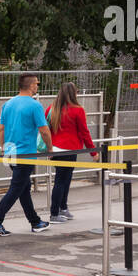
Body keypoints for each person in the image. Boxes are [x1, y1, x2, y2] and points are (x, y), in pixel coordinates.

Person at [0, 73, 52, 235]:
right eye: (37, 83)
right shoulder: (34, 105)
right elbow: (44, 130)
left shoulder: (8, 104)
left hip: (10, 152)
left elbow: (1, 129)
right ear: (31, 85)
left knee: (23, 187)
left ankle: (35, 221)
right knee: (17, 188)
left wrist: (3, 148)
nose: (37, 86)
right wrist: (50, 149)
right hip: (26, 154)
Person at [45, 82, 98, 221]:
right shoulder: (77, 110)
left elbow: (46, 129)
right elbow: (84, 132)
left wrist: (49, 149)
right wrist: (93, 151)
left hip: (55, 149)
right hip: (69, 149)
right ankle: (55, 213)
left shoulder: (52, 108)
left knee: (63, 180)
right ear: (74, 93)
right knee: (62, 181)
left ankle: (63, 208)